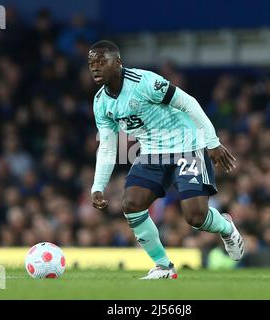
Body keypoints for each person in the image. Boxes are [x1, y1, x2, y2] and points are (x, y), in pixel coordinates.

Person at [88, 40, 244, 279]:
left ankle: (226, 227)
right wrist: (98, 186)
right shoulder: (101, 102)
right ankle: (163, 266)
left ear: (118, 63)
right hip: (152, 153)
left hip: (187, 146)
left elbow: (188, 103)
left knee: (195, 218)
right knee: (131, 204)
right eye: (91, 63)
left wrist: (212, 142)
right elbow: (109, 146)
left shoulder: (144, 83)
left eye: (102, 61)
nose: (95, 67)